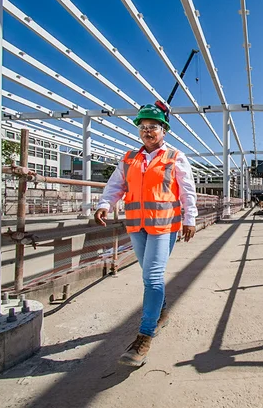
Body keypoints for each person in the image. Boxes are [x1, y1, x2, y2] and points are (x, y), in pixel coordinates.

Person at [94, 102, 197, 367]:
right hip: (136, 225)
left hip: (164, 226)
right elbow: (116, 185)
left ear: (164, 130)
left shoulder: (175, 157)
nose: (147, 131)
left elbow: (187, 190)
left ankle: (144, 336)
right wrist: (105, 204)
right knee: (147, 275)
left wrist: (190, 218)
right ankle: (160, 312)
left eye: (153, 127)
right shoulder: (129, 158)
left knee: (152, 277)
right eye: (143, 127)